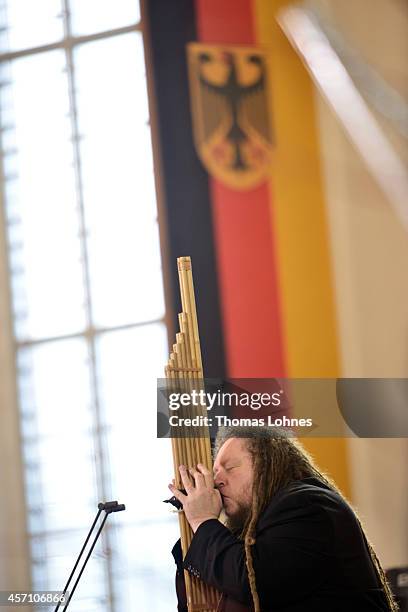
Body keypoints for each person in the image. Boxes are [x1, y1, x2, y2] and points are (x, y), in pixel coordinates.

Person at [168, 426, 397, 612]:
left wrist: (204, 521)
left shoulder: (307, 505)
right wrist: (197, 526)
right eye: (215, 472)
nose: (217, 481)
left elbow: (256, 584)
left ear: (268, 465)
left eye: (231, 467)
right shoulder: (260, 523)